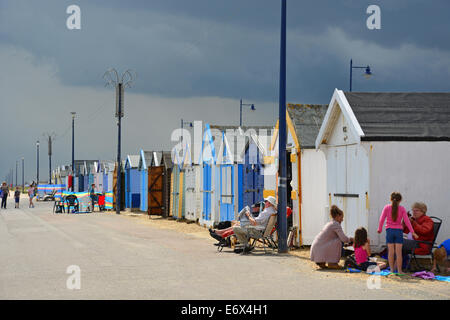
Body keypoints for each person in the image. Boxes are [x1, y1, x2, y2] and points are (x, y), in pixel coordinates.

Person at [377, 192, 418, 275]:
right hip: (398, 231)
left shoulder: (386, 207)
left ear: (391, 199)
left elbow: (382, 219)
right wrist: (413, 232)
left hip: (389, 231)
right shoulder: (402, 209)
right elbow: (407, 221)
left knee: (391, 252)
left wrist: (379, 228)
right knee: (399, 253)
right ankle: (399, 271)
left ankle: (391, 270)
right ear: (400, 200)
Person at [310, 205, 353, 269]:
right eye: (342, 217)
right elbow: (344, 239)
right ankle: (332, 263)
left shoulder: (330, 223)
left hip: (316, 250)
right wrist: (352, 239)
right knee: (338, 241)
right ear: (338, 216)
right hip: (319, 249)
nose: (342, 220)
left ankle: (321, 262)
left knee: (336, 240)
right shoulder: (336, 224)